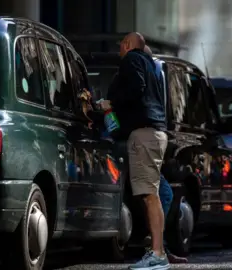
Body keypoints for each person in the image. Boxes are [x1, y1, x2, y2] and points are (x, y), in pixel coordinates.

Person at [101, 32, 169, 270]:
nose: (120, 50)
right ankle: (159, 252)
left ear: (128, 44)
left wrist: (111, 104)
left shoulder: (132, 60)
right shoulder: (151, 66)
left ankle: (158, 254)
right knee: (153, 195)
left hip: (145, 135)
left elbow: (135, 88)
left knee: (150, 196)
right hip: (157, 133)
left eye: (121, 45)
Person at [142, 45, 188, 264]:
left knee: (163, 194)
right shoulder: (141, 80)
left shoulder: (142, 79)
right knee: (162, 195)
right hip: (138, 146)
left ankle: (158, 246)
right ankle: (155, 246)